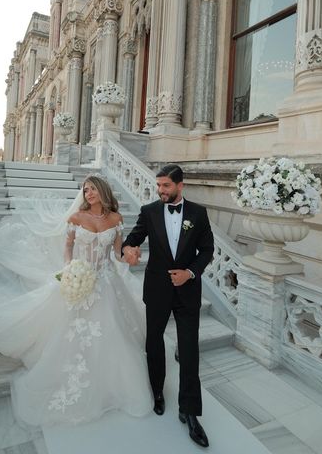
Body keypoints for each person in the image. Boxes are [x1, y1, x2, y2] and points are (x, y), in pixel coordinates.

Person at [0, 175, 151, 427]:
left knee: (113, 330)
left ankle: (114, 382)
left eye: (93, 189)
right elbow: (68, 246)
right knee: (73, 332)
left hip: (108, 282)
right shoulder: (76, 218)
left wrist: (130, 258)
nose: (89, 193)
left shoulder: (116, 220)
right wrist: (70, 269)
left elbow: (116, 253)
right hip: (79, 277)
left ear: (103, 191)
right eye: (85, 190)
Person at [123, 163, 214, 448]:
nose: (160, 190)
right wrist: (128, 249)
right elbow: (132, 238)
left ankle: (189, 410)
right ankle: (157, 391)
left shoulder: (198, 213)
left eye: (165, 186)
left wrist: (190, 273)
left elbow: (208, 249)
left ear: (179, 186)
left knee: (189, 349)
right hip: (158, 289)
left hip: (187, 291)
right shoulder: (149, 211)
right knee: (154, 342)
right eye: (158, 185)